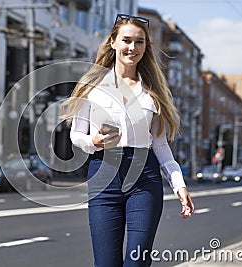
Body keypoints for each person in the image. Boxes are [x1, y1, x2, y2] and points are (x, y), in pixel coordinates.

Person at [61, 14, 195, 267]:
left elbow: (160, 145)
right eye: (126, 40)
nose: (132, 48)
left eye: (140, 42)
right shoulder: (91, 87)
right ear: (112, 42)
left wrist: (179, 185)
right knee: (106, 263)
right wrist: (96, 141)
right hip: (104, 175)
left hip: (144, 178)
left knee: (137, 262)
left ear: (146, 47)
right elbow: (76, 136)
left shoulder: (152, 92)